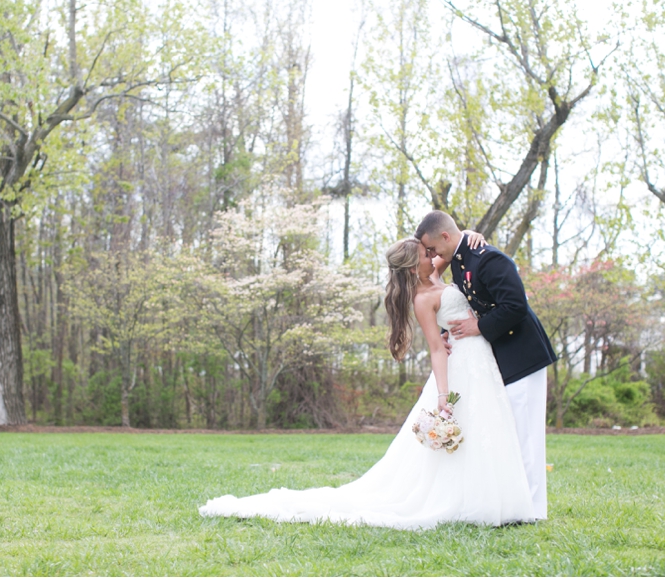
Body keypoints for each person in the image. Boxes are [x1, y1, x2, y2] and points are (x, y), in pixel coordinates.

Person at [198, 233, 535, 530]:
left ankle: (496, 499)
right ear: (411, 267)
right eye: (424, 254)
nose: (431, 256)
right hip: (459, 365)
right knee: (466, 430)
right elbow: (436, 349)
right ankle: (468, 502)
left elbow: (453, 248)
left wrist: (471, 234)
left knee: (487, 429)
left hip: (481, 359)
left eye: (430, 251)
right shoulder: (421, 299)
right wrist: (443, 396)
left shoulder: (435, 273)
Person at [415, 210, 557, 521]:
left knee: (527, 436)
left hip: (523, 355)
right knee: (509, 432)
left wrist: (479, 327)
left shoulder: (489, 259)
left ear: (446, 238)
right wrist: (445, 330)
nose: (432, 256)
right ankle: (515, 505)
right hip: (497, 360)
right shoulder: (458, 258)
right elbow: (461, 299)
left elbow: (515, 305)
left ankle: (532, 510)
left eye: (433, 249)